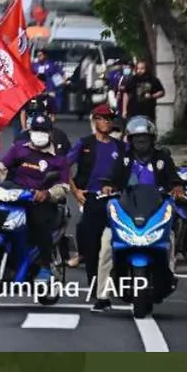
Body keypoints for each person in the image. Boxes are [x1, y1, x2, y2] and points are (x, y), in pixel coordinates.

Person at [90, 115, 184, 311]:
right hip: (127, 209)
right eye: (137, 138)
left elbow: (174, 179)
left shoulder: (163, 157)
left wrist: (177, 188)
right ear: (130, 140)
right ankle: (102, 295)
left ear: (152, 138)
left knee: (171, 239)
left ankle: (169, 276)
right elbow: (111, 178)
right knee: (108, 243)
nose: (141, 142)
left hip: (155, 210)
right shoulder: (123, 158)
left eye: (145, 138)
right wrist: (108, 186)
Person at [0, 113, 70, 282]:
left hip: (40, 200)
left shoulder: (58, 159)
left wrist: (47, 193)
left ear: (50, 134)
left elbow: (63, 187)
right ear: (30, 131)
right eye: (36, 130)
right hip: (16, 195)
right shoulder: (19, 149)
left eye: (43, 131)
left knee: (40, 223)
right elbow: (0, 168)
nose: (39, 134)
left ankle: (45, 266)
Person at [68, 104, 120, 289]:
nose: (106, 122)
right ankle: (95, 284)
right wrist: (75, 191)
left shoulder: (121, 147)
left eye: (109, 119)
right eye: (102, 118)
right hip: (92, 199)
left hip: (116, 201)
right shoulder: (85, 143)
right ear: (94, 120)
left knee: (118, 242)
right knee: (92, 244)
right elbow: (63, 166)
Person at [31, 50, 67, 116]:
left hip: (50, 89)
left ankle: (50, 119)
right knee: (39, 106)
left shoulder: (52, 64)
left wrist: (62, 82)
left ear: (45, 55)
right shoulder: (34, 65)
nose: (39, 57)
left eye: (40, 55)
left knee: (52, 108)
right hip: (39, 90)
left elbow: (59, 74)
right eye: (38, 55)